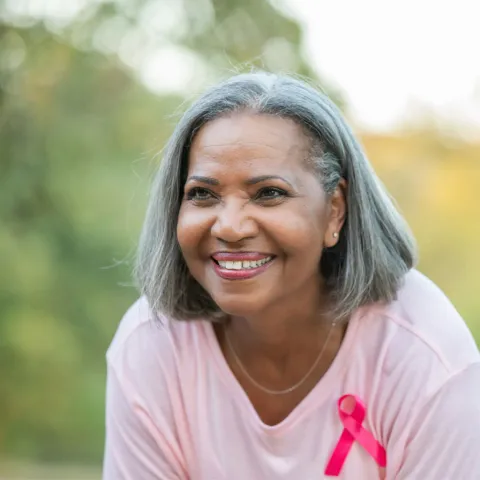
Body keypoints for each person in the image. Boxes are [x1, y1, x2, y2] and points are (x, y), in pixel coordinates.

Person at [102, 72, 480, 479]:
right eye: (203, 194)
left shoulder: (424, 353)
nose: (229, 227)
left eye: (269, 193)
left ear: (335, 209)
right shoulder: (151, 346)